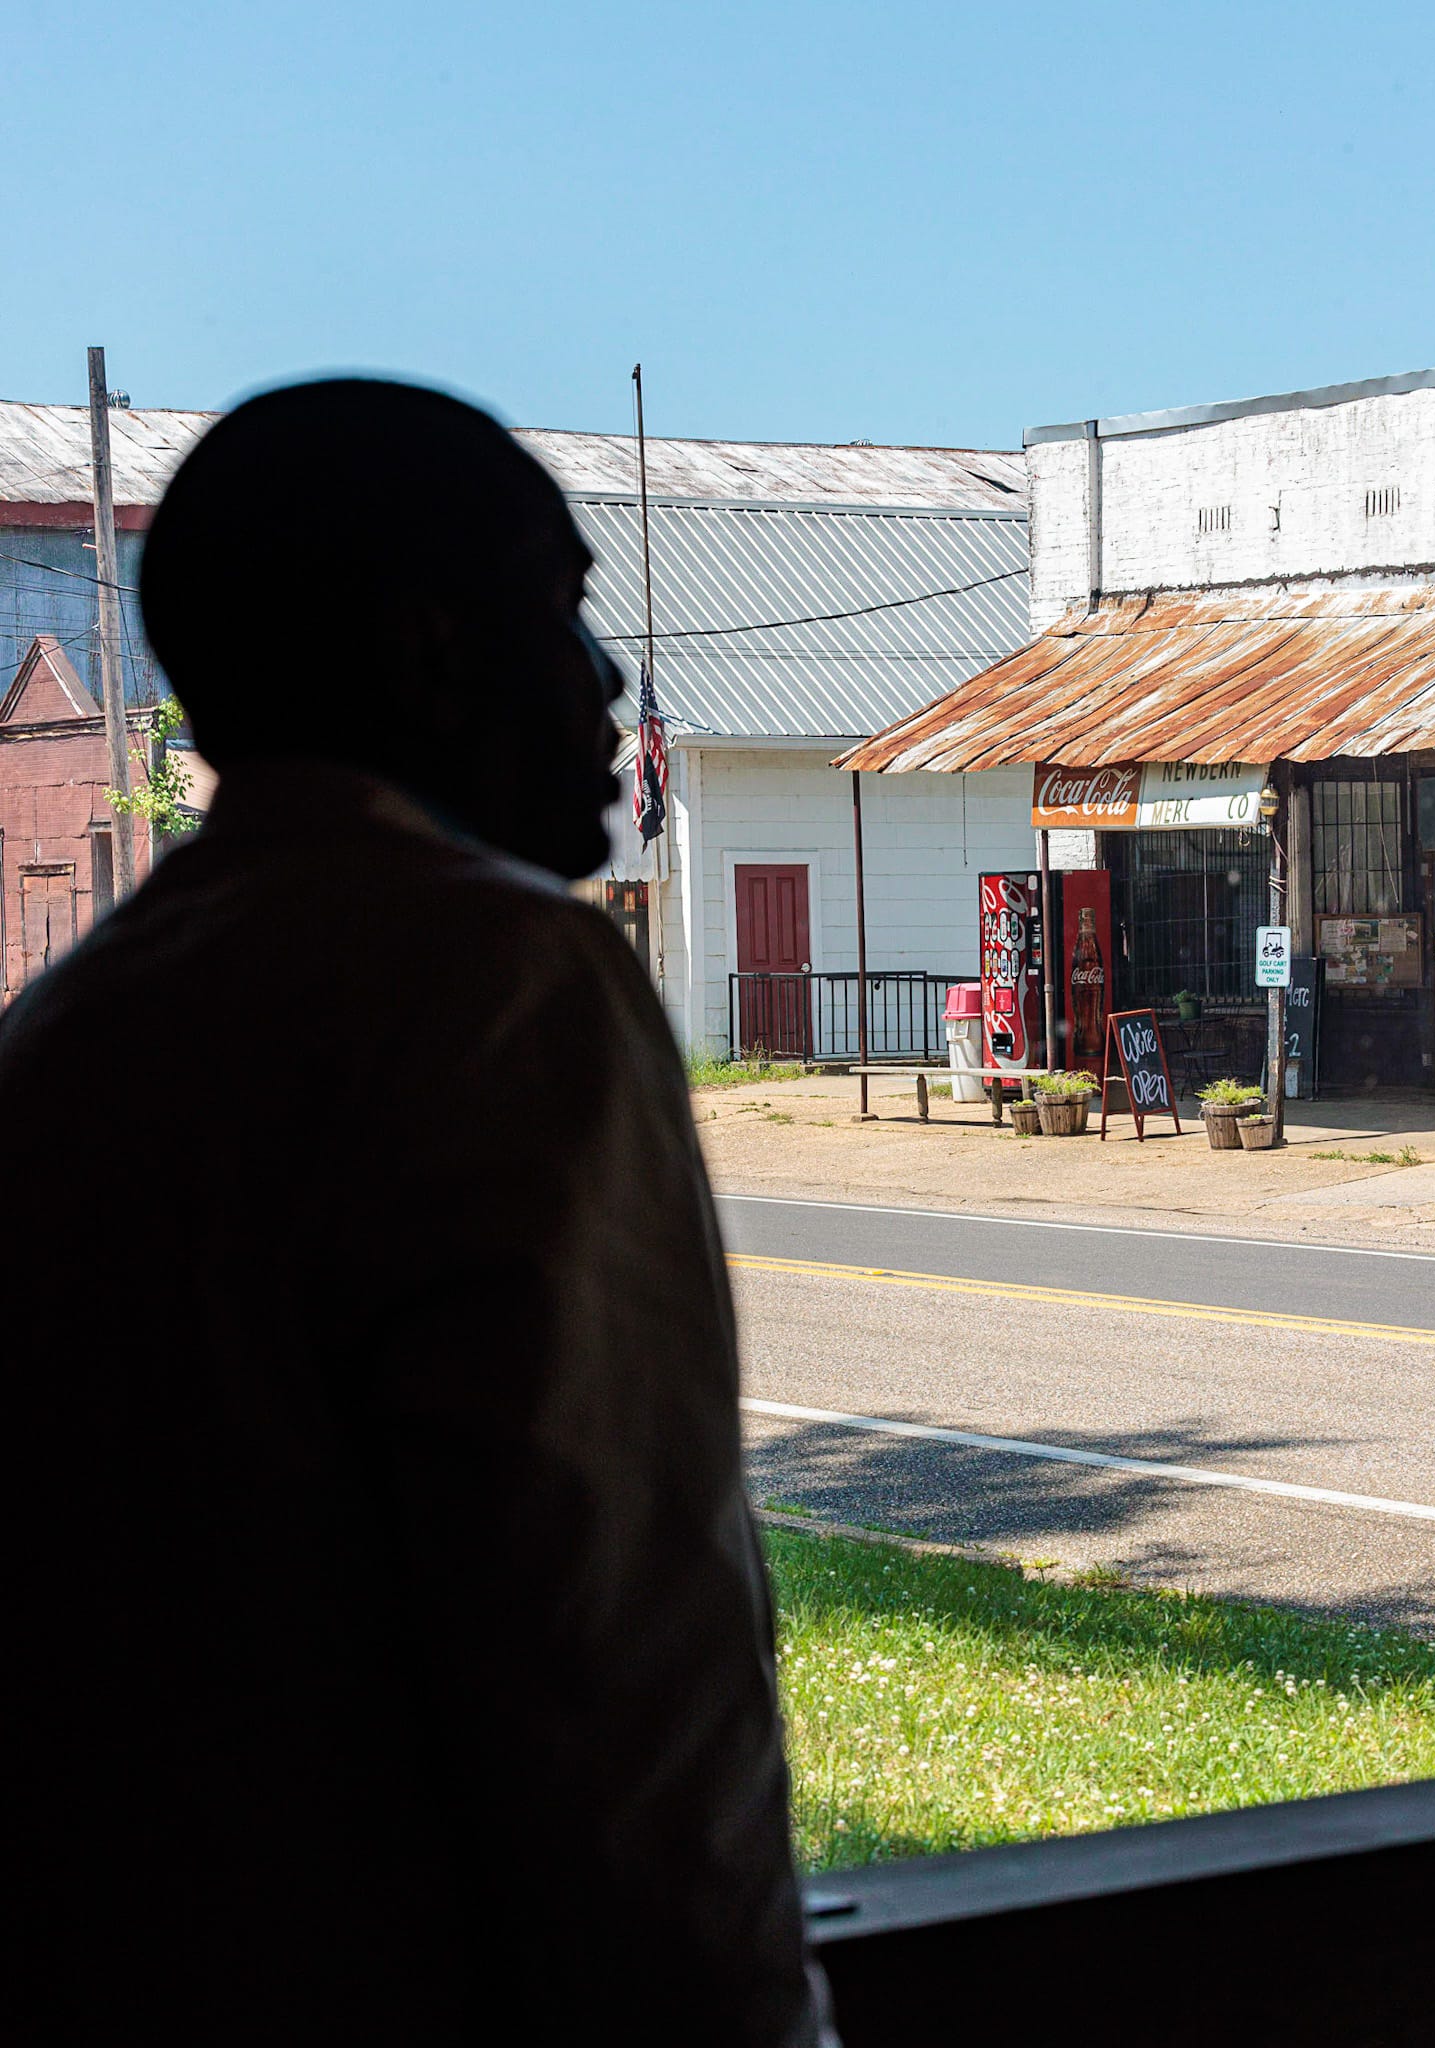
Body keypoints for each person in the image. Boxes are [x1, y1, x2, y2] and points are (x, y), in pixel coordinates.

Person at [1, 379, 835, 2046]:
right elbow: (618, 1658)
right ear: (431, 645)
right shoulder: (501, 980)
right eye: (566, 611)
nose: (610, 690)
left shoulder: (76, 1023)